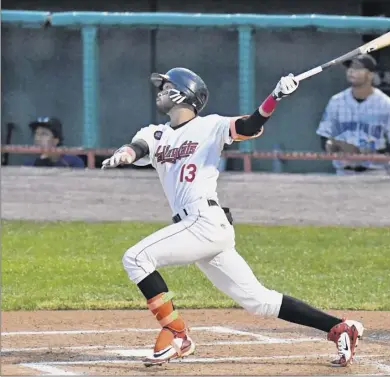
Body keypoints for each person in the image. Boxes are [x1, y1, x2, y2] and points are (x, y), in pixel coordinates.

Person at [101, 67, 364, 367]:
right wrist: (124, 154)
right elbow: (137, 148)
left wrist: (274, 97)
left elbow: (250, 126)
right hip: (199, 228)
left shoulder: (210, 126)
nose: (159, 90)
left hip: (205, 221)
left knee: (136, 258)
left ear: (183, 92)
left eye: (165, 85)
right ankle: (340, 328)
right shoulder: (154, 133)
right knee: (259, 301)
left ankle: (177, 335)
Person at [315, 54, 390, 176]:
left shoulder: (387, 105)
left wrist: (363, 152)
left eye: (357, 67)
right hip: (344, 172)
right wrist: (333, 145)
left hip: (376, 174)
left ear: (370, 75)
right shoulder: (336, 101)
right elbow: (324, 137)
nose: (351, 71)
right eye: (350, 67)